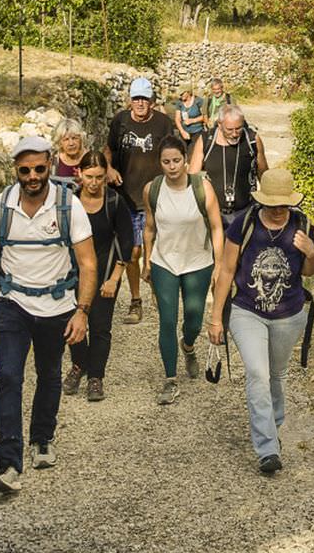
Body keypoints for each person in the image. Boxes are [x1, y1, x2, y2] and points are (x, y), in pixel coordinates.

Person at [0, 135, 95, 497]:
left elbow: (87, 263)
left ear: (50, 165)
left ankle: (42, 438)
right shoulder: (0, 207)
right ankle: (8, 464)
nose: (33, 176)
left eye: (39, 168)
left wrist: (81, 312)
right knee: (8, 376)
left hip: (57, 306)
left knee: (49, 373)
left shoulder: (68, 207)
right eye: (25, 170)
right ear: (16, 171)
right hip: (12, 304)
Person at [206, 168, 314, 475]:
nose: (278, 210)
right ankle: (267, 448)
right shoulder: (245, 224)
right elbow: (227, 270)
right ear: (262, 202)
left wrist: (311, 253)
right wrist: (216, 318)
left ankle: (273, 423)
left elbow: (310, 271)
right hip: (247, 311)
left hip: (289, 315)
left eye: (283, 204)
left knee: (277, 375)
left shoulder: (303, 225)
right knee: (258, 374)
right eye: (272, 204)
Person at [141, 136, 223, 404]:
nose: (172, 167)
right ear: (160, 163)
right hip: (165, 261)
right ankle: (170, 380)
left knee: (194, 319)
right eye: (166, 162)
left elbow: (216, 227)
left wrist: (219, 265)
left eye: (176, 160)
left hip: (198, 261)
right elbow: (150, 227)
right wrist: (147, 261)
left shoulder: (202, 188)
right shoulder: (152, 189)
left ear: (185, 160)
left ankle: (188, 346)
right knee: (167, 319)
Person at [105, 75, 180, 324]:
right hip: (126, 196)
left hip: (157, 196)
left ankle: (158, 293)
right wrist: (108, 168)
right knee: (133, 250)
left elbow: (175, 154)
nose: (140, 103)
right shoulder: (120, 121)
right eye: (136, 98)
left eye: (144, 99)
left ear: (151, 101)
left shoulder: (163, 123)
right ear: (130, 100)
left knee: (159, 249)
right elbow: (109, 149)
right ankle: (136, 300)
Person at [64, 154, 131, 402]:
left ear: (106, 176)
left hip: (105, 272)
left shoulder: (114, 201)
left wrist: (114, 278)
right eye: (89, 177)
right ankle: (79, 365)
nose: (94, 183)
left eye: (99, 178)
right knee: (70, 323)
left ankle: (96, 377)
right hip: (72, 273)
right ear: (79, 174)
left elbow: (126, 241)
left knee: (100, 327)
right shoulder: (69, 202)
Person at [191, 103, 268, 220]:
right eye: (229, 129)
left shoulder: (252, 140)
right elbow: (193, 176)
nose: (234, 134)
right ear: (220, 125)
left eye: (238, 128)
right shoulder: (206, 140)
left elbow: (264, 175)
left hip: (246, 211)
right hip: (213, 213)